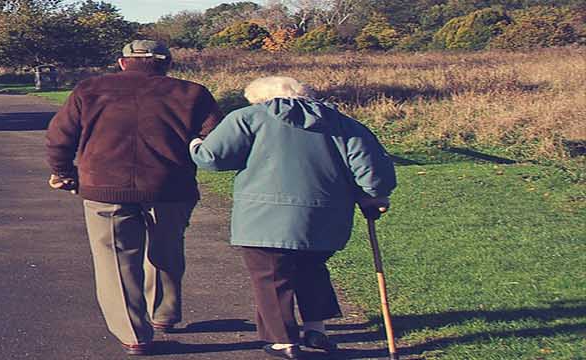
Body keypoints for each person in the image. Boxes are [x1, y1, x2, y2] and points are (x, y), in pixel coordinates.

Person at [189, 76, 397, 359]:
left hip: (263, 217)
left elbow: (212, 158)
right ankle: (316, 329)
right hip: (327, 217)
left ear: (260, 98)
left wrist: (195, 144)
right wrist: (374, 196)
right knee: (311, 267)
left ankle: (283, 340)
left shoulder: (248, 117)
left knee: (271, 276)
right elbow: (374, 175)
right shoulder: (343, 123)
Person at [45, 40, 223, 356]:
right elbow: (215, 141)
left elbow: (59, 137)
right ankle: (163, 314)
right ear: (166, 62)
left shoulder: (89, 89)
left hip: (105, 188)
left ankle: (133, 334)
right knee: (167, 249)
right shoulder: (193, 93)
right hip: (171, 187)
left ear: (122, 62)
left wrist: (64, 173)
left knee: (115, 260)